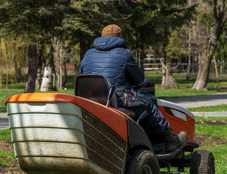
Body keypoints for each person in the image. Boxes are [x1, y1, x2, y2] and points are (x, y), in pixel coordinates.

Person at [79, 24, 186, 152]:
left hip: (91, 100)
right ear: (120, 38)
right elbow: (140, 81)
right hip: (116, 100)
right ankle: (170, 140)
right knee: (149, 105)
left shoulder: (88, 54)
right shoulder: (124, 54)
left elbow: (81, 77)